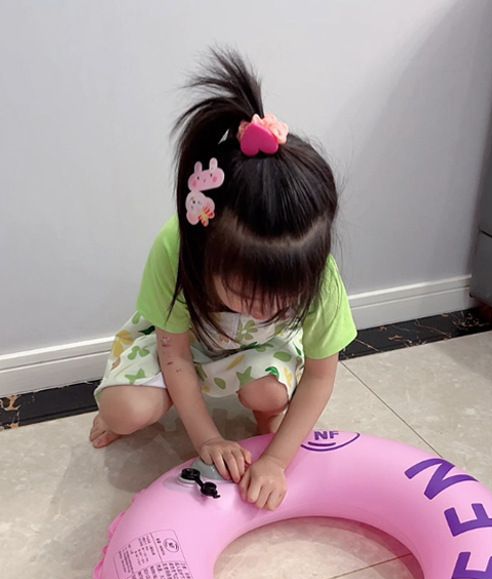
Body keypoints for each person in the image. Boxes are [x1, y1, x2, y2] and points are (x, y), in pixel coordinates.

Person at [90, 49, 357, 510]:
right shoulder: (178, 248)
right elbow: (173, 353)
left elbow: (319, 375)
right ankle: (142, 405)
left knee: (270, 393)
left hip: (257, 352)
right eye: (248, 295)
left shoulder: (318, 272)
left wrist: (276, 459)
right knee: (126, 410)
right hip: (182, 346)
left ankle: (265, 412)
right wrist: (208, 439)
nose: (264, 310)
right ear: (207, 254)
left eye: (282, 300)